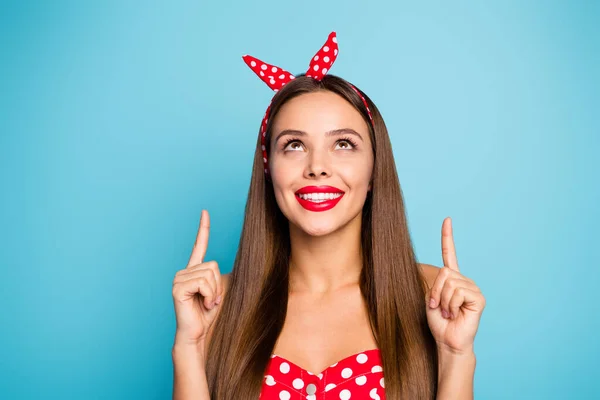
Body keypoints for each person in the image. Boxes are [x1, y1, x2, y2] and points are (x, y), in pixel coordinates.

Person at [171, 32, 486, 400]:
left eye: (343, 144)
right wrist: (189, 348)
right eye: (294, 145)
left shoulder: (433, 296)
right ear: (269, 170)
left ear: (374, 170)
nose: (317, 167)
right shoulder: (214, 303)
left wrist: (455, 355)